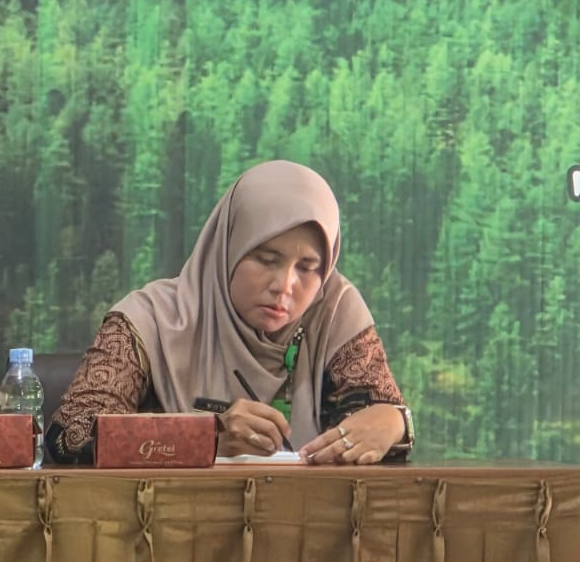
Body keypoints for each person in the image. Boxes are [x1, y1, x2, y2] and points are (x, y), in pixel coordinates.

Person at [45, 160, 414, 465]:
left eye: (307, 267)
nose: (285, 285)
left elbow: (372, 413)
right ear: (228, 249)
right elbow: (70, 435)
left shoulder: (333, 310)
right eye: (266, 260)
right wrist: (207, 437)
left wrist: (395, 422)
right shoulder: (150, 319)